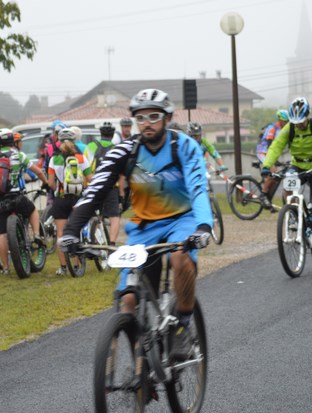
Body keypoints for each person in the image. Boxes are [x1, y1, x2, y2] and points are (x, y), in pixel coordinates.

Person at [59, 88, 213, 359]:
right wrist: (71, 232)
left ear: (167, 118)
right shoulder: (125, 151)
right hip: (144, 229)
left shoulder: (184, 146)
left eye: (154, 116)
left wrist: (203, 227)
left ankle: (183, 326)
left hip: (182, 220)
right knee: (128, 300)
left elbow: (199, 188)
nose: (147, 123)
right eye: (141, 118)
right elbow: (93, 192)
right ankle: (142, 366)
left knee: (180, 258)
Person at [261, 96, 312, 262]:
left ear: (307, 115)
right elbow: (276, 146)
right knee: (287, 189)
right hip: (298, 165)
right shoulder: (290, 128)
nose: (298, 124)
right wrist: (266, 165)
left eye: (300, 121)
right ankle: (294, 215)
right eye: (295, 121)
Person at [0, 129, 49, 274]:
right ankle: (35, 234)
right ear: (13, 142)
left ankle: (5, 268)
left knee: (2, 234)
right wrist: (46, 183)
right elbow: (38, 171)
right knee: (32, 210)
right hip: (16, 196)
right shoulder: (19, 155)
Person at [47, 127, 92, 275]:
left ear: (59, 142)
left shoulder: (54, 159)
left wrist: (57, 189)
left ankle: (63, 267)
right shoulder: (81, 158)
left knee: (61, 232)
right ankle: (77, 265)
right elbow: (90, 179)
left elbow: (51, 183)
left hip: (60, 199)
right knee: (75, 230)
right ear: (74, 142)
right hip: (77, 198)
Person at [84, 121, 121, 245]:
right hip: (111, 187)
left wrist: (86, 186)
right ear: (112, 134)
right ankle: (112, 243)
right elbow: (120, 173)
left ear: (100, 133)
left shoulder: (90, 146)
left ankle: (93, 239)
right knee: (114, 216)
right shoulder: (117, 149)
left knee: (92, 215)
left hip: (94, 185)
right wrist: (121, 194)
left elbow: (85, 168)